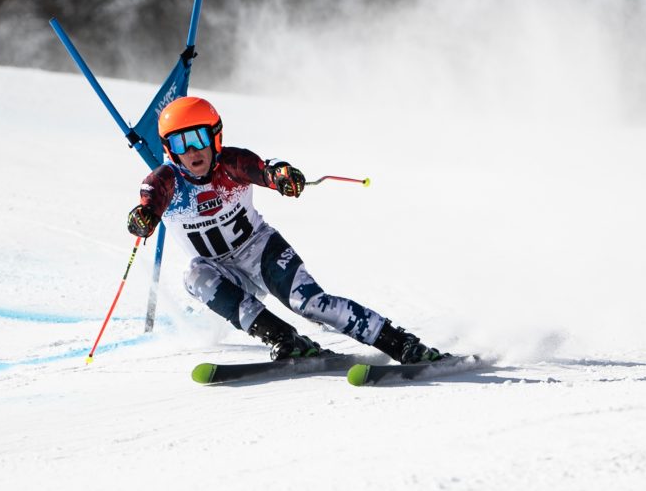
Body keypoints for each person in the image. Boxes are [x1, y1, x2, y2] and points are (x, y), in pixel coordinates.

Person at [126, 96, 446, 363]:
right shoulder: (165, 181)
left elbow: (266, 169)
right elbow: (148, 205)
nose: (193, 150)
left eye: (198, 138)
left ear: (215, 137)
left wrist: (282, 176)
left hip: (261, 253)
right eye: (181, 142)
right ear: (170, 149)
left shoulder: (231, 163)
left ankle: (401, 343)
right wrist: (142, 219)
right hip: (224, 274)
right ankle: (284, 339)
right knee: (194, 275)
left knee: (311, 304)